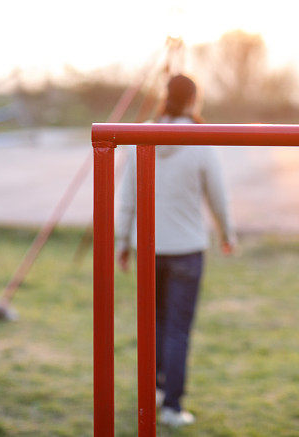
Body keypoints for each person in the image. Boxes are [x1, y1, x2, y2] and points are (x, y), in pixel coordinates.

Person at [116, 74, 236, 427]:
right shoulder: (201, 141)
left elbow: (127, 199)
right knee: (177, 329)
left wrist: (122, 241)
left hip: (148, 246)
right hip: (186, 247)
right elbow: (219, 196)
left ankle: (153, 389)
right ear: (193, 100)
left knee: (152, 322)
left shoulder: (142, 138)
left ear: (165, 97)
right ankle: (171, 407)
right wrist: (227, 234)